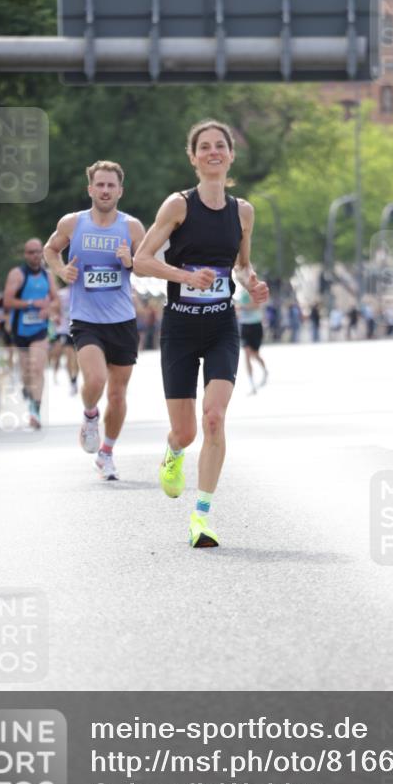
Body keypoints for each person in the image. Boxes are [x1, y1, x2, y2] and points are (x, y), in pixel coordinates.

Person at [133, 119, 269, 548]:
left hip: (221, 326)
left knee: (214, 417)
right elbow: (141, 260)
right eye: (204, 147)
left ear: (231, 155)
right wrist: (183, 277)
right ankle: (173, 452)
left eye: (220, 146)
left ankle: (202, 517)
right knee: (187, 431)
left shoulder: (243, 212)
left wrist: (252, 283)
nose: (213, 152)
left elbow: (241, 265)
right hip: (180, 326)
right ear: (193, 158)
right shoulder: (178, 206)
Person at [44, 160, 145, 480]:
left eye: (110, 185)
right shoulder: (73, 223)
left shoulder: (132, 227)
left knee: (117, 394)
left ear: (120, 191)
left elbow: (146, 266)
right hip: (86, 319)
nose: (105, 190)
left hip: (122, 320)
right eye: (99, 185)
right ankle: (90, 415)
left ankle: (106, 453)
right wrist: (61, 271)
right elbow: (50, 249)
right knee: (97, 380)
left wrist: (131, 261)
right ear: (90, 189)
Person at [3, 239, 59, 429]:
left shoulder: (47, 276)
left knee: (37, 369)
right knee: (26, 372)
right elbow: (7, 301)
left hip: (40, 330)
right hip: (20, 330)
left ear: (42, 253)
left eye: (38, 251)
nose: (35, 255)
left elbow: (56, 301)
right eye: (31, 252)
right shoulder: (17, 274)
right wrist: (30, 304)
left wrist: (48, 309)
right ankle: (27, 390)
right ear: (25, 255)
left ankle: (35, 411)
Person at [236, 284, 268, 395]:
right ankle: (252, 383)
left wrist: (242, 307)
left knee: (255, 354)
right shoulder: (239, 293)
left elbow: (256, 305)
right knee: (247, 353)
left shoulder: (256, 291)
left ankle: (265, 371)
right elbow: (237, 309)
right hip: (244, 326)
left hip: (256, 325)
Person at [49, 284, 79, 395]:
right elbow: (53, 309)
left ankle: (75, 379)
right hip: (65, 330)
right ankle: (71, 381)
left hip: (80, 330)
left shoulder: (82, 292)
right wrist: (55, 316)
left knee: (77, 359)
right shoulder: (61, 294)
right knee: (69, 356)